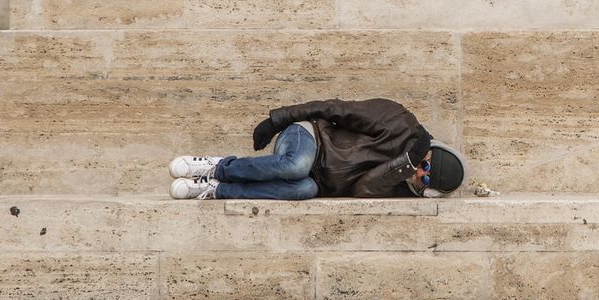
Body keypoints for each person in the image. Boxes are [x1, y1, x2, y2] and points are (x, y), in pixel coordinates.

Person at [169, 98, 466, 200]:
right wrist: (277, 120)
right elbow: (334, 108)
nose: (419, 174)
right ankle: (217, 166)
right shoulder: (399, 121)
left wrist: (404, 165)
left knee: (303, 190)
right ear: (431, 149)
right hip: (311, 137)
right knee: (296, 166)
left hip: (319, 181)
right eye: (425, 166)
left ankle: (214, 189)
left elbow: (363, 189)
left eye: (425, 180)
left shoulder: (400, 182)